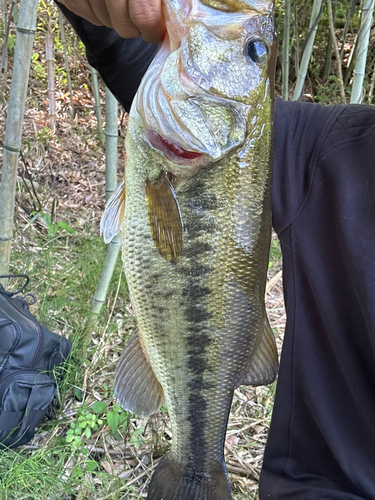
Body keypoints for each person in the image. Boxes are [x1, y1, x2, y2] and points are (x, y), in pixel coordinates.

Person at [56, 2, 375, 499]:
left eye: (252, 52)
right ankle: (198, 467)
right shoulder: (341, 152)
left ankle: (197, 465)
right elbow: (142, 67)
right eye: (255, 53)